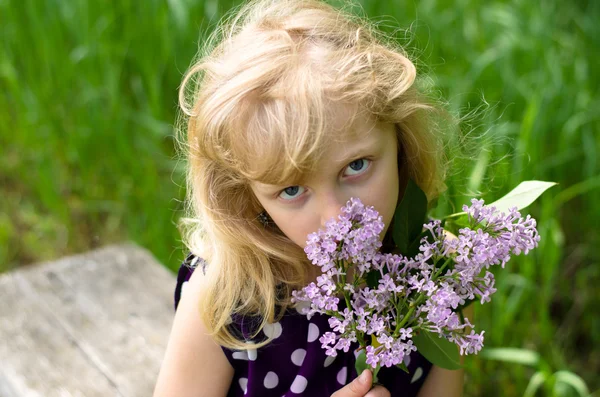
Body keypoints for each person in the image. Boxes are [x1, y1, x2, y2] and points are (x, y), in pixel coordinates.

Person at [154, 0, 471, 395]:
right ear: (248, 198)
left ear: (401, 143)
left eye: (356, 166)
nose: (337, 218)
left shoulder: (440, 271)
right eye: (291, 190)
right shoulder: (227, 296)